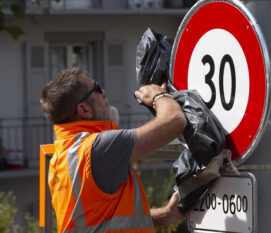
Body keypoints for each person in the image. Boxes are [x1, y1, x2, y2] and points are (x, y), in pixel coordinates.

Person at [40, 67, 187, 233]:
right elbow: (175, 121)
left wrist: (167, 215)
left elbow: (102, 223)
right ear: (84, 110)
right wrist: (158, 96)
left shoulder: (61, 159)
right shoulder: (98, 148)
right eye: (96, 89)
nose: (103, 91)